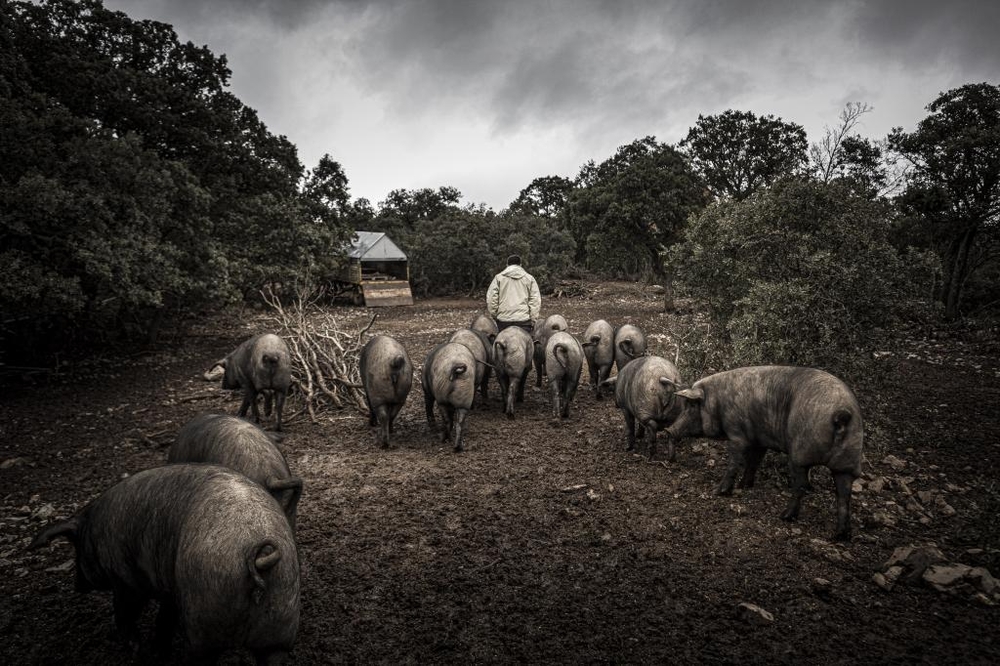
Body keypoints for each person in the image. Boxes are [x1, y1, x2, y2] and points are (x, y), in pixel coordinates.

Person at [486, 255, 541, 332]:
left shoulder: (498, 278)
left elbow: (491, 299)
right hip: (523, 320)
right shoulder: (529, 278)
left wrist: (496, 316)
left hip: (503, 321)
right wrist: (533, 319)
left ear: (507, 265)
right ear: (520, 265)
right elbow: (535, 301)